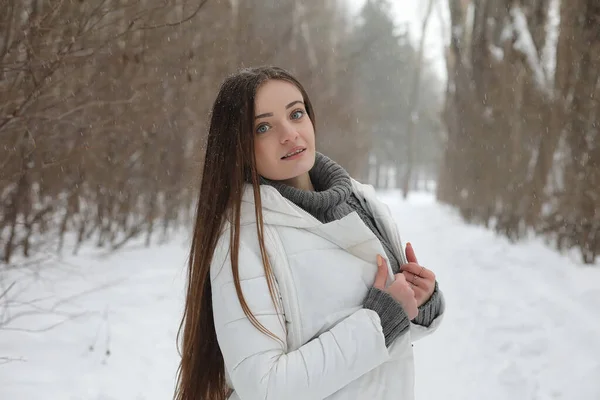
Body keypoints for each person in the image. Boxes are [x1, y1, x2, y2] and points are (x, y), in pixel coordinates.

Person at [174, 66, 445, 400]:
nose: (289, 133)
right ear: (238, 145)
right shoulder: (243, 240)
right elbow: (265, 388)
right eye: (263, 126)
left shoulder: (360, 201)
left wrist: (417, 302)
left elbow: (383, 341)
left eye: (296, 114)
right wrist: (380, 320)